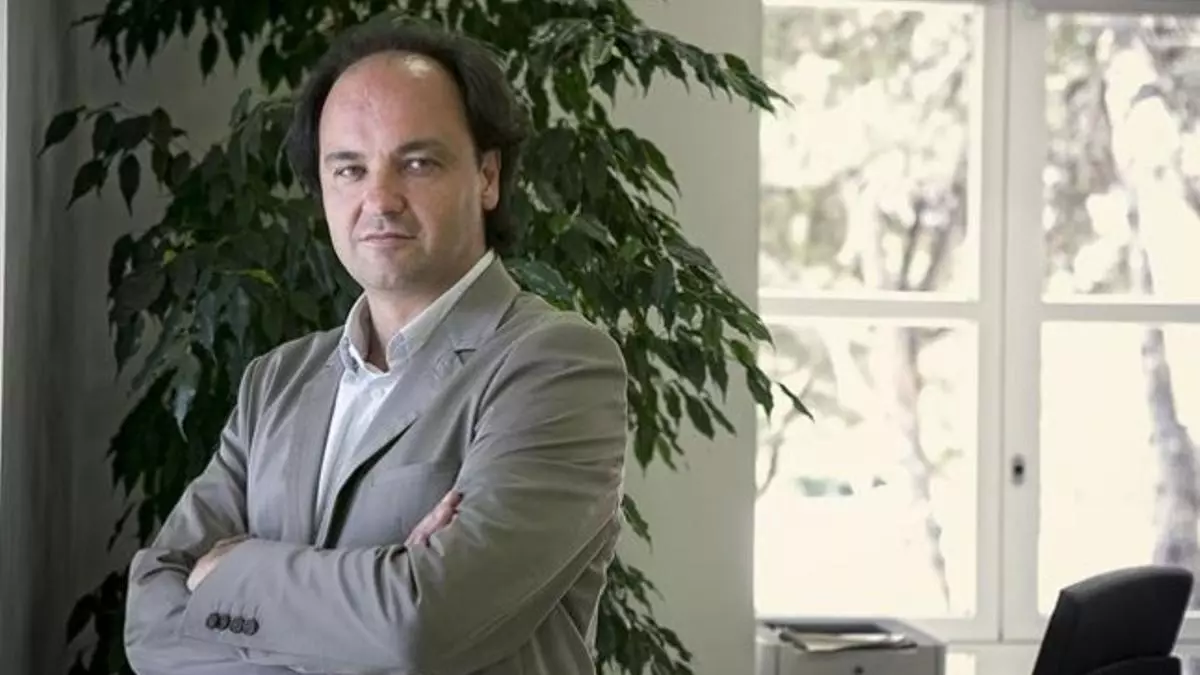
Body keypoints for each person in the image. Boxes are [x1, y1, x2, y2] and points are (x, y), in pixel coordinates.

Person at [122, 18, 628, 675]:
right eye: (349, 168)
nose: (379, 199)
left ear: (487, 176)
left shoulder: (556, 365)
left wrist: (233, 572)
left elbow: (425, 622)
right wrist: (378, 594)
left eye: (417, 163)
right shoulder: (277, 379)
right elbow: (150, 620)